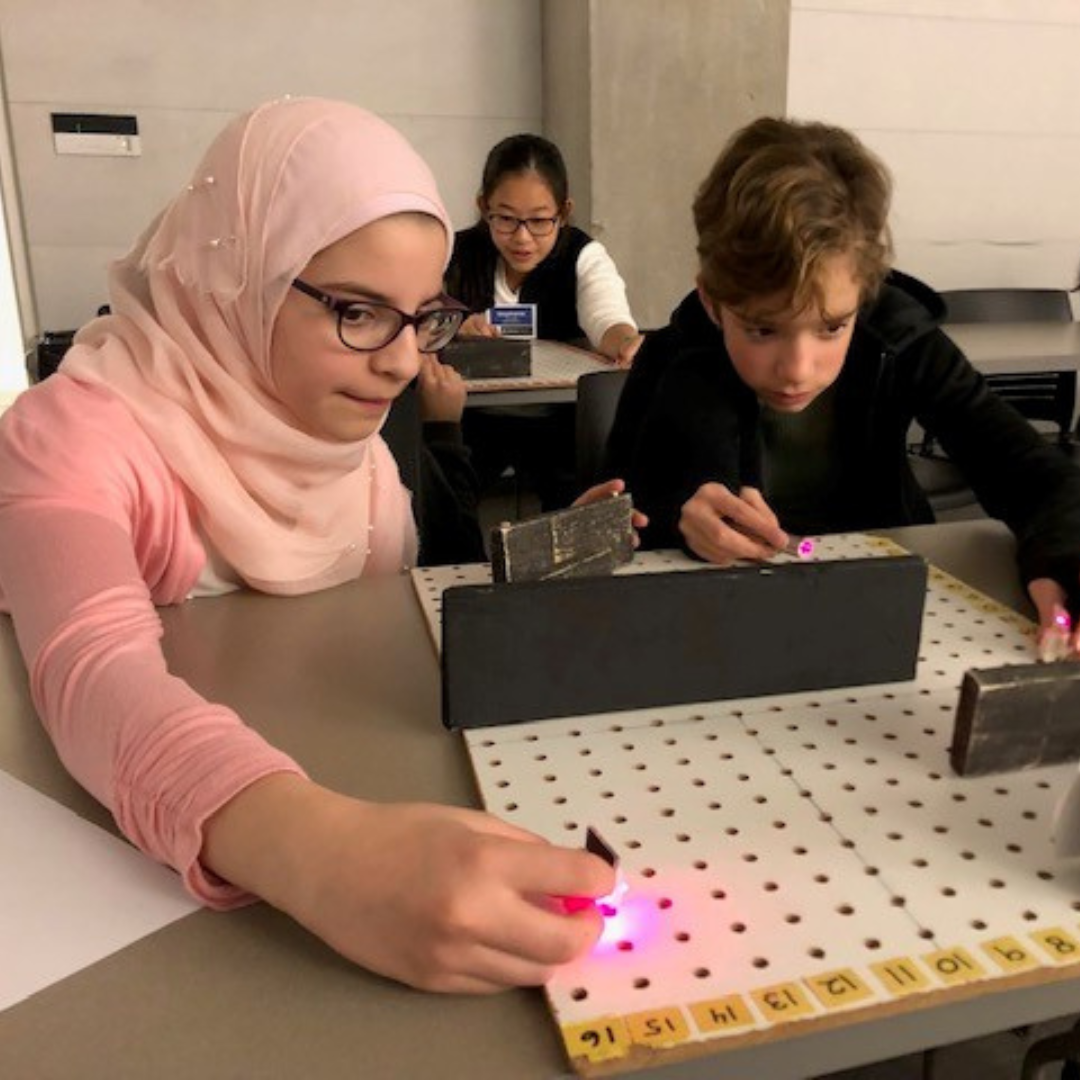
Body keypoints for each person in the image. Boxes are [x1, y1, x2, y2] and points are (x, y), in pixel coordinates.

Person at [0, 98, 617, 994]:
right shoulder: (70, 438)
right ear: (240, 281)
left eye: (423, 316)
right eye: (359, 311)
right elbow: (93, 672)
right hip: (151, 902)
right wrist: (326, 854)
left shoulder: (337, 436)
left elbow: (382, 620)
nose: (402, 363)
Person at [606, 116, 1080, 658]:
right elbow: (616, 515)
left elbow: (1032, 471)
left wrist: (1064, 558)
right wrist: (675, 521)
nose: (798, 369)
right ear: (713, 301)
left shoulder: (899, 338)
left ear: (864, 291)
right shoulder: (670, 361)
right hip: (725, 635)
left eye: (832, 327)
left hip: (888, 615)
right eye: (762, 329)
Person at [446, 133, 642, 510]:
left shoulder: (583, 256)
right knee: (447, 495)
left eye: (539, 221)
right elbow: (418, 315)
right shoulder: (453, 254)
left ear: (564, 213)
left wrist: (625, 341)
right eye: (505, 219)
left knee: (574, 502)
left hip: (560, 422)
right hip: (471, 417)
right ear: (483, 207)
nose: (522, 238)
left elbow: (606, 317)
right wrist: (451, 326)